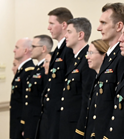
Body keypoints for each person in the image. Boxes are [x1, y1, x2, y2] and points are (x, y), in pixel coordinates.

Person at [76, 3, 124, 139]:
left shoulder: (123, 57)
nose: (98, 28)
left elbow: (117, 106)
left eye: (103, 23)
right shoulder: (110, 56)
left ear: (119, 26)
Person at [36, 7, 74, 139]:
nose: (48, 27)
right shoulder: (58, 50)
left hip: (60, 117)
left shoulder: (69, 50)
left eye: (52, 23)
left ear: (64, 25)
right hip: (50, 115)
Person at [58, 17, 96, 139]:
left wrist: (80, 131)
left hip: (76, 128)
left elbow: (86, 99)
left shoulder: (87, 60)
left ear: (80, 35)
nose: (65, 36)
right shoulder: (75, 60)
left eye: (69, 32)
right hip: (67, 125)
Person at [21, 35, 53, 139]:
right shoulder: (36, 70)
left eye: (33, 46)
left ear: (43, 48)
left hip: (39, 121)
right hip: (31, 120)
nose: (30, 49)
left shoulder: (46, 71)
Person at [10, 38, 35, 139]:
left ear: (25, 51)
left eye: (17, 47)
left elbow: (27, 101)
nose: (14, 50)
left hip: (21, 123)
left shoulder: (29, 71)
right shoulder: (22, 70)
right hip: (16, 121)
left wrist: (24, 124)